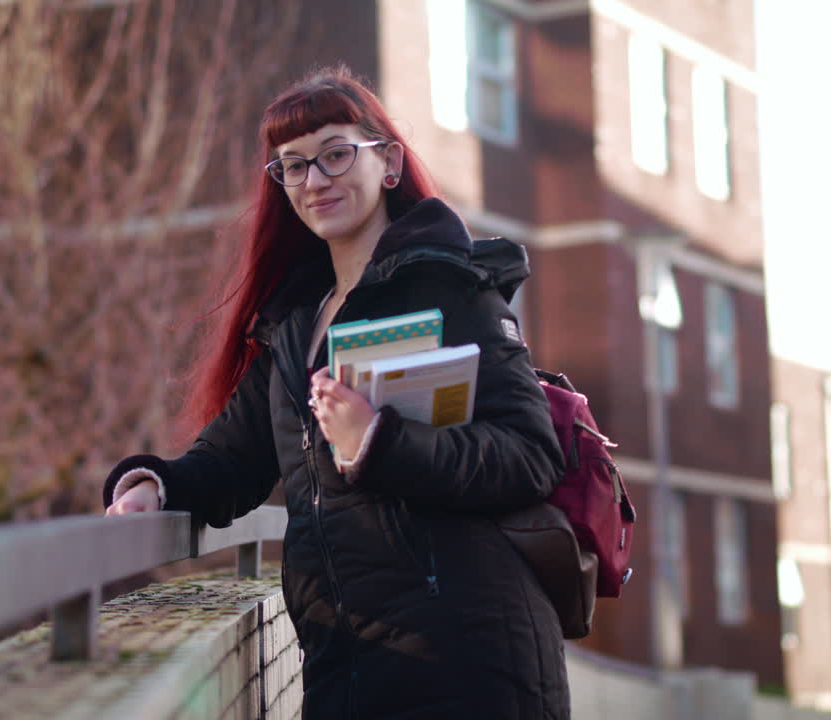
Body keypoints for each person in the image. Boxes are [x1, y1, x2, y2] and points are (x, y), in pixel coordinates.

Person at [103, 66, 569, 719]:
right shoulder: (293, 322)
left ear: (388, 163)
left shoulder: (449, 290)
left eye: (335, 155)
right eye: (293, 166)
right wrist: (158, 486)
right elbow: (233, 460)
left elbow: (529, 456)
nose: (315, 180)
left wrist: (380, 443)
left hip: (467, 662)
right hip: (344, 664)